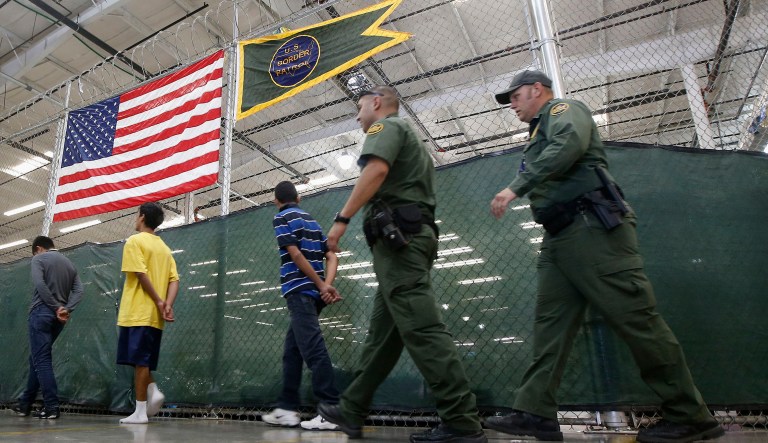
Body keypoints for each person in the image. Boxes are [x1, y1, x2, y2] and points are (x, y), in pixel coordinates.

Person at [486, 70, 725, 443]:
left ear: (537, 90)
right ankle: (535, 411)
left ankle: (689, 414)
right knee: (550, 326)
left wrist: (516, 187)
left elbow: (570, 144)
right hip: (560, 236)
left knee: (636, 319)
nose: (512, 104)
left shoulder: (563, 110)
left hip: (590, 227)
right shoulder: (536, 131)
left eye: (515, 96)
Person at [319, 86, 487, 443]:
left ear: (377, 103)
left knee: (423, 330)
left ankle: (461, 421)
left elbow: (376, 170)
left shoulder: (387, 128)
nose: (357, 114)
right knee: (383, 335)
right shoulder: (408, 136)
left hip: (401, 245)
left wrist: (342, 219)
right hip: (405, 244)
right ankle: (353, 408)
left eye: (360, 106)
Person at [261, 181, 342, 431]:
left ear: (276, 201)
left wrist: (320, 285)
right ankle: (286, 409)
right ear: (299, 198)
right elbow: (332, 256)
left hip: (299, 291)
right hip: (313, 294)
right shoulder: (312, 222)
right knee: (293, 352)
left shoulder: (281, 217)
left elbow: (295, 255)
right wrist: (326, 285)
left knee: (313, 350)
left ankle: (330, 410)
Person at [117, 202, 179, 424]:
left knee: (141, 361)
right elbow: (174, 279)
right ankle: (153, 390)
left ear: (142, 217)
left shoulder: (134, 242)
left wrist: (159, 301)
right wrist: (167, 304)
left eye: (137, 215)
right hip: (154, 316)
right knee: (140, 360)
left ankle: (141, 412)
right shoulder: (164, 248)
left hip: (138, 312)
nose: (136, 219)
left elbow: (141, 275)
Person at [12, 236, 83, 419]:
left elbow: (39, 284)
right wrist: (66, 308)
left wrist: (54, 306)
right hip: (58, 318)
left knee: (41, 360)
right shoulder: (69, 264)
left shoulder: (38, 259)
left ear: (38, 249)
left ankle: (51, 406)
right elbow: (79, 291)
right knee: (35, 358)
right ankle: (25, 404)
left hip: (42, 313)